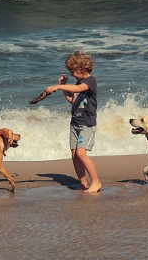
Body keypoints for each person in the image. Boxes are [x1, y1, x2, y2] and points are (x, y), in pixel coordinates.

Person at [45, 51, 102, 194]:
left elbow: (78, 89)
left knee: (81, 154)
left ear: (82, 69)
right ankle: (83, 183)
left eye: (74, 72)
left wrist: (58, 87)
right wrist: (64, 88)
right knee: (74, 155)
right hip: (75, 124)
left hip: (86, 124)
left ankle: (96, 182)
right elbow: (73, 100)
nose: (72, 75)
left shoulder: (90, 81)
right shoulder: (78, 83)